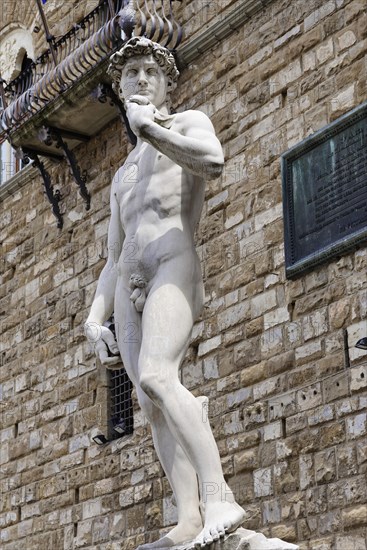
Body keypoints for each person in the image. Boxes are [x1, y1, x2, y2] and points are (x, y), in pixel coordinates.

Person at [84, 37, 245, 549]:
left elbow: (213, 161)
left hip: (173, 262)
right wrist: (94, 318)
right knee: (150, 401)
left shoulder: (187, 122)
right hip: (130, 279)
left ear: (167, 81)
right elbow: (112, 256)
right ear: (122, 84)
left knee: (158, 373)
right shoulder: (120, 175)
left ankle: (220, 497)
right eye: (131, 73)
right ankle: (189, 517)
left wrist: (150, 130)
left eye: (150, 71)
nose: (141, 80)